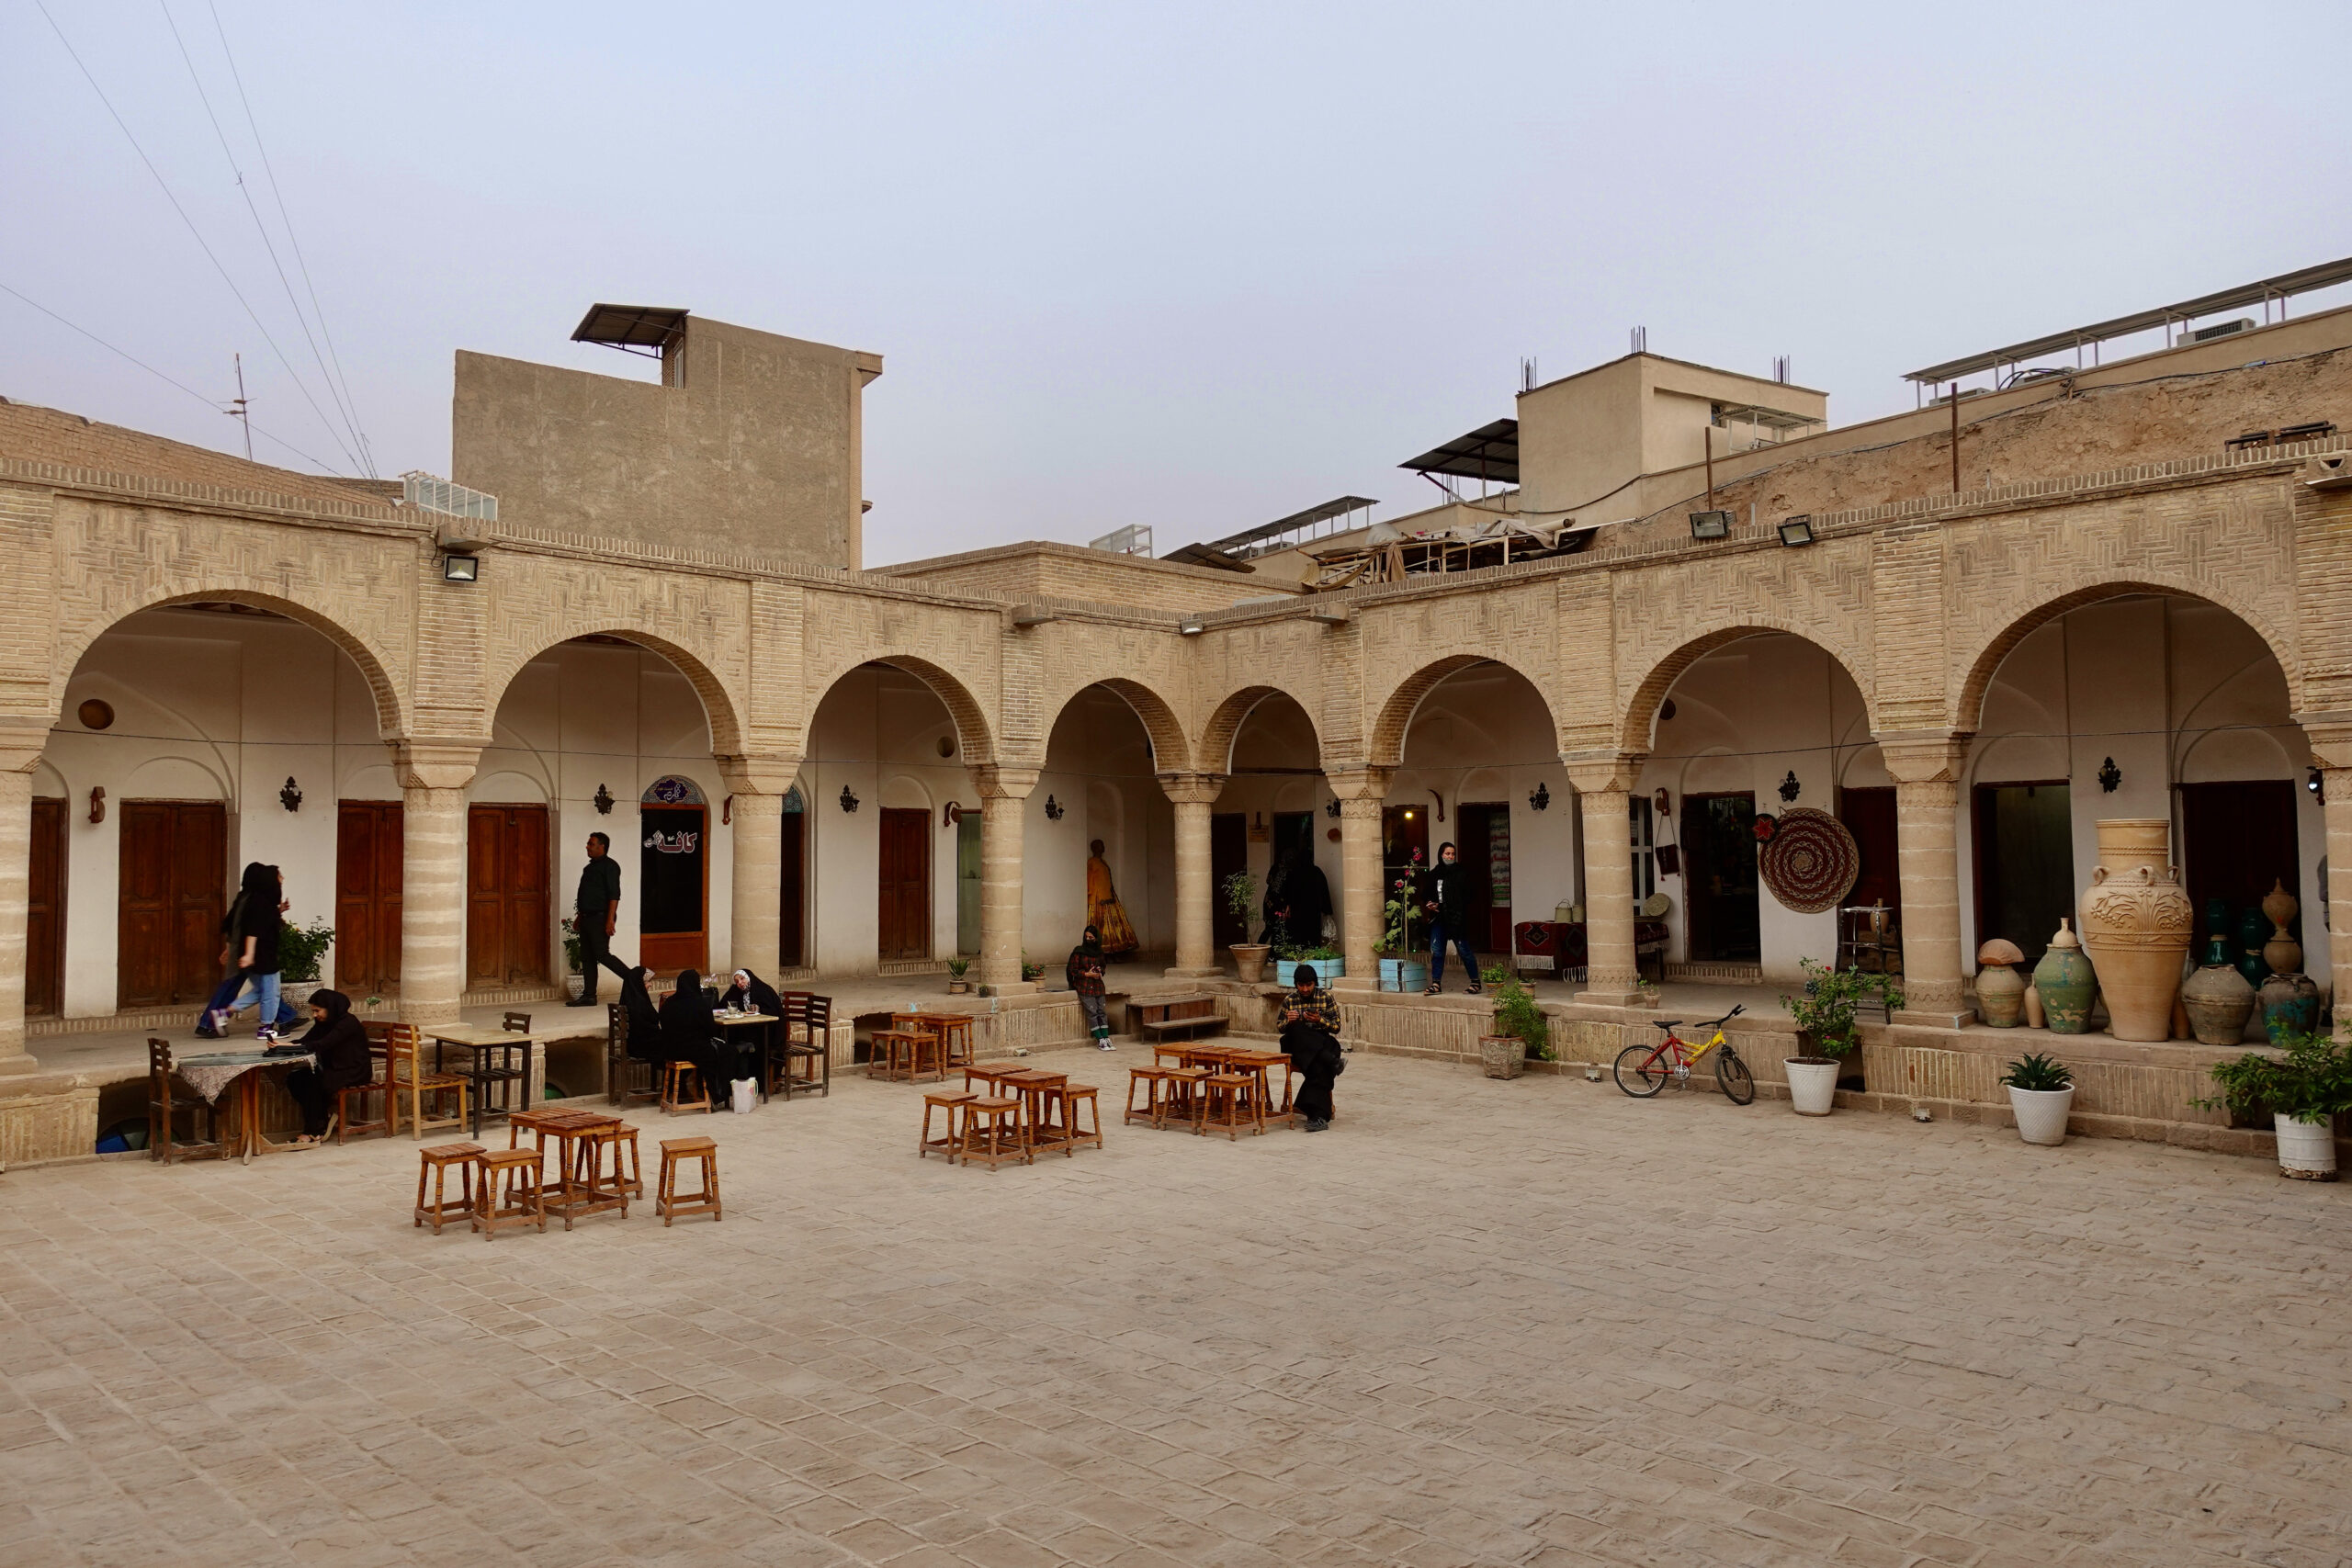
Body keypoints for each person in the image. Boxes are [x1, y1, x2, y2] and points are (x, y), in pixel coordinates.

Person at [282, 988, 372, 1146]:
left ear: (330, 1007)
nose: (315, 1015)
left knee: (313, 1083)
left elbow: (323, 1044)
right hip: (334, 1068)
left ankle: (312, 1130)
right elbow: (307, 1040)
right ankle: (322, 1118)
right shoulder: (324, 1023)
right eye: (313, 1011)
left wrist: (289, 1045)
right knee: (295, 1079)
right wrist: (284, 1045)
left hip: (354, 1070)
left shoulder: (347, 1022)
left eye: (317, 1011)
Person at [659, 967, 753, 1100]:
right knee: (728, 1052)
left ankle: (695, 1090)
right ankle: (719, 1094)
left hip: (670, 1050)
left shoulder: (668, 1003)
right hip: (694, 1050)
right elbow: (710, 1031)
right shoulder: (700, 1004)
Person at [221, 863, 287, 1040]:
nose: (282, 879)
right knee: (272, 992)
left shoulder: (253, 900)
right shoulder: (262, 903)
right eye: (279, 876)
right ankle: (266, 1028)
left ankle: (224, 1012)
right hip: (263, 955)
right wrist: (249, 954)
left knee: (262, 991)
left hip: (254, 955)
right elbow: (254, 930)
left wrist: (279, 910)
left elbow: (238, 926)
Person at [1277, 964, 1344, 1132]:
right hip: (1296, 1046)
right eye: (1301, 985)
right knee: (1297, 1029)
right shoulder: (1290, 1000)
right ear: (1296, 985)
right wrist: (1289, 1021)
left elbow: (1336, 1027)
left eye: (1309, 985)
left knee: (1318, 1066)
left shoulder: (1326, 998)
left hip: (1318, 1044)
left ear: (1315, 983)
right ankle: (1332, 1061)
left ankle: (1317, 1117)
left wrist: (1319, 1020)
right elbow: (1280, 1027)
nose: (1305, 989)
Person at [570, 832, 631, 1006]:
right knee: (587, 957)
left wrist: (610, 919)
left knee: (602, 954)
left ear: (602, 846)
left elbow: (614, 895)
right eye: (588, 844)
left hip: (601, 917)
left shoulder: (610, 866)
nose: (587, 847)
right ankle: (589, 995)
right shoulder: (589, 868)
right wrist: (579, 917)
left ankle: (633, 978)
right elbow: (587, 894)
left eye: (591, 844)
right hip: (587, 917)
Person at [1422, 840, 1481, 996]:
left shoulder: (1461, 873)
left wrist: (1456, 906)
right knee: (1437, 950)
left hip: (1457, 918)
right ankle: (1436, 984)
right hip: (1439, 917)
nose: (1450, 856)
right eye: (1447, 853)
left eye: (1453, 854)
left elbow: (1469, 895)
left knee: (1464, 950)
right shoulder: (1434, 874)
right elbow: (1426, 893)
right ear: (1441, 855)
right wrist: (1430, 904)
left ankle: (1475, 983)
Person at [1265, 846, 1331, 953]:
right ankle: (1312, 958)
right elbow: (1324, 891)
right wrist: (1327, 909)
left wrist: (1287, 905)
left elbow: (1287, 891)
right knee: (1312, 936)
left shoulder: (1294, 873)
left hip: (1296, 912)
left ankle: (1297, 958)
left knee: (1296, 937)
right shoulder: (1316, 872)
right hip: (1313, 912)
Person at [721, 967, 785, 1079]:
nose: (740, 983)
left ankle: (758, 1080)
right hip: (748, 1029)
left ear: (749, 978)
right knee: (732, 1041)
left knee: (752, 1042)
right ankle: (738, 1079)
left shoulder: (763, 990)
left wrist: (760, 1009)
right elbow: (723, 1003)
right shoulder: (736, 991)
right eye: (737, 981)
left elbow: (775, 1012)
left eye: (742, 979)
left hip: (768, 1031)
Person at [1084, 840, 1139, 955]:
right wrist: (1092, 895)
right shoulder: (1092, 862)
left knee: (1114, 926)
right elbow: (1089, 881)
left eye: (1102, 846)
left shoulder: (1103, 862)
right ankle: (1099, 951)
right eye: (1099, 846)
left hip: (1109, 896)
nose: (1102, 848)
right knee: (1099, 925)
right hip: (1097, 899)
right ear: (1094, 848)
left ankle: (1114, 951)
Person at [1067, 925, 1112, 1049]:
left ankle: (1106, 1038)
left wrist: (1098, 972)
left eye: (1091, 937)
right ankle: (1100, 1040)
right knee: (1092, 1012)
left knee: (1102, 1012)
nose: (1088, 939)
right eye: (1086, 937)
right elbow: (1072, 970)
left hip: (1098, 986)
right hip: (1084, 987)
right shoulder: (1079, 952)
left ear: (1096, 938)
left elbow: (1103, 967)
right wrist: (1087, 974)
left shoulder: (1100, 952)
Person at [617, 966, 664, 1063]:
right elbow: (652, 1022)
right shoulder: (639, 1003)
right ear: (639, 983)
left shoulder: (630, 999)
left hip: (635, 1045)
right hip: (643, 1048)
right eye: (647, 982)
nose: (650, 985)